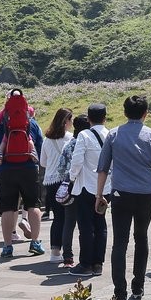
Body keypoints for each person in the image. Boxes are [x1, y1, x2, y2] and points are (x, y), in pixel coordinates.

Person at [96, 95, 151, 300]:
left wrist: (99, 195)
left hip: (120, 194)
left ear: (125, 112)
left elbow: (102, 168)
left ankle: (119, 291)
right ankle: (138, 286)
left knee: (119, 242)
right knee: (141, 238)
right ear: (146, 113)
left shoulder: (114, 135)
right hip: (145, 194)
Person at [0, 93, 45, 257]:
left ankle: (7, 246)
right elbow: (40, 144)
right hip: (29, 168)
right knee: (33, 205)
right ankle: (35, 242)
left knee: (8, 208)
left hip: (5, 170)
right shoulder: (31, 123)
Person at [68, 104, 110, 277]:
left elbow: (77, 161)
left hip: (86, 187)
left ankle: (85, 264)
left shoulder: (84, 135)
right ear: (105, 118)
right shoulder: (111, 134)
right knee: (101, 224)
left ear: (89, 119)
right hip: (106, 186)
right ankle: (98, 263)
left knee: (86, 226)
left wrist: (71, 178)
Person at [55, 114, 90, 268]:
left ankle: (67, 257)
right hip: (87, 187)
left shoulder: (69, 145)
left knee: (69, 223)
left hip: (70, 187)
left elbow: (61, 168)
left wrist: (68, 179)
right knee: (87, 224)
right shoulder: (90, 143)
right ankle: (88, 257)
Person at [40, 108, 73, 263]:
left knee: (57, 218)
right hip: (66, 182)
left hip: (50, 182)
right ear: (66, 121)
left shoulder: (47, 140)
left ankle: (54, 252)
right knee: (68, 218)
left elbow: (43, 162)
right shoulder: (70, 138)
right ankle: (67, 253)